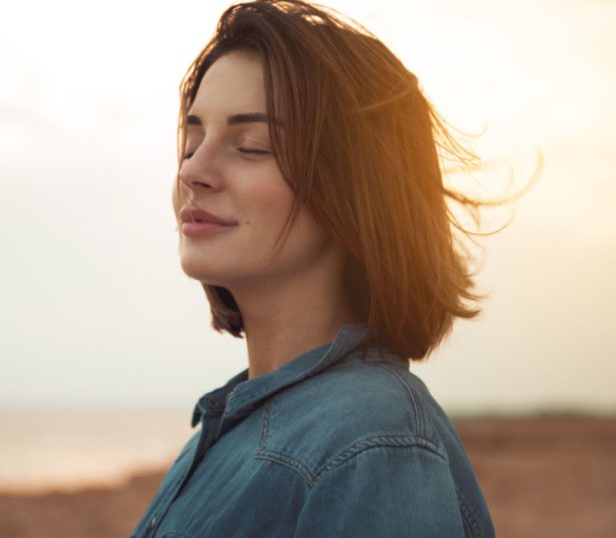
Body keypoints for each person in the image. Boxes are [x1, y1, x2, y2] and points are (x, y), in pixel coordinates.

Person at [131, 0, 505, 536]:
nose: (193, 169)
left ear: (354, 190)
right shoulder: (237, 428)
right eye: (192, 141)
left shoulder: (370, 444)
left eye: (250, 146)